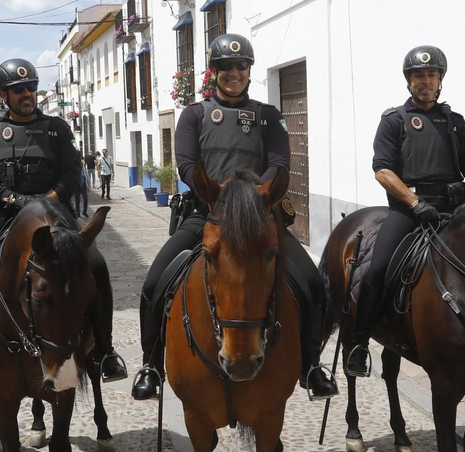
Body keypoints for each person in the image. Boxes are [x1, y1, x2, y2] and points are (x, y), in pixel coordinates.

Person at [131, 33, 336, 401]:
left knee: (313, 285)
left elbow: (278, 164)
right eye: (226, 66)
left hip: (259, 220)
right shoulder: (193, 115)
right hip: (207, 216)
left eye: (241, 66)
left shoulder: (268, 117)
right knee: (154, 284)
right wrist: (220, 197)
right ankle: (151, 365)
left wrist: (253, 199)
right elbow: (187, 165)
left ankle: (310, 365)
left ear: (249, 70)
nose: (234, 72)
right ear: (214, 72)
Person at [0, 57, 129, 395]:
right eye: (18, 89)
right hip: (4, 219)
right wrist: (18, 203)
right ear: (4, 95)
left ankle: (104, 351)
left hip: (55, 220)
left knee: (97, 266)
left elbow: (73, 173)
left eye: (31, 86)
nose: (27, 93)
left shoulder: (57, 129)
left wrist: (46, 201)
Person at [344, 45, 465, 377]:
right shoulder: (394, 121)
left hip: (452, 212)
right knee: (376, 270)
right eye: (418, 75)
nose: (425, 81)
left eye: (431, 75)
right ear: (409, 81)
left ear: (440, 80)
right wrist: (415, 203)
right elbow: (383, 170)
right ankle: (359, 343)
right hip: (410, 212)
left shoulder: (455, 123)